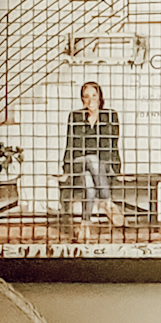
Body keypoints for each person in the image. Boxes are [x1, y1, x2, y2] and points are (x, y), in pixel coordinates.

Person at [61, 81, 124, 229]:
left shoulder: (111, 116)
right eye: (86, 96)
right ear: (82, 99)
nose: (90, 100)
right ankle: (107, 202)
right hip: (79, 162)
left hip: (101, 168)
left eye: (94, 96)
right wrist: (66, 170)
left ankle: (85, 223)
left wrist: (117, 170)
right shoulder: (75, 116)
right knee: (91, 158)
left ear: (100, 97)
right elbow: (70, 144)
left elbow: (113, 145)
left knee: (89, 184)